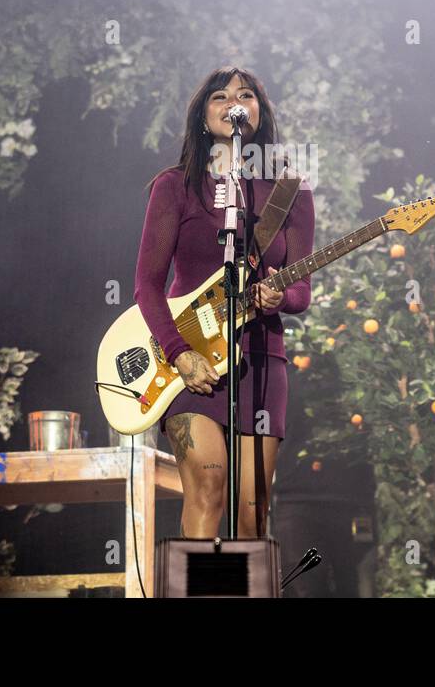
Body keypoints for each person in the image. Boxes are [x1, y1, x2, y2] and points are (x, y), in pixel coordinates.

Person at [134, 67, 314, 538]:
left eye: (246, 94)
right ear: (202, 117)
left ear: (260, 112)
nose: (234, 101)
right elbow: (147, 286)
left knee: (253, 514)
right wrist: (180, 353)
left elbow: (302, 291)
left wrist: (278, 295)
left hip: (262, 361)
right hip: (188, 360)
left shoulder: (289, 191)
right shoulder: (174, 186)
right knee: (208, 489)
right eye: (221, 95)